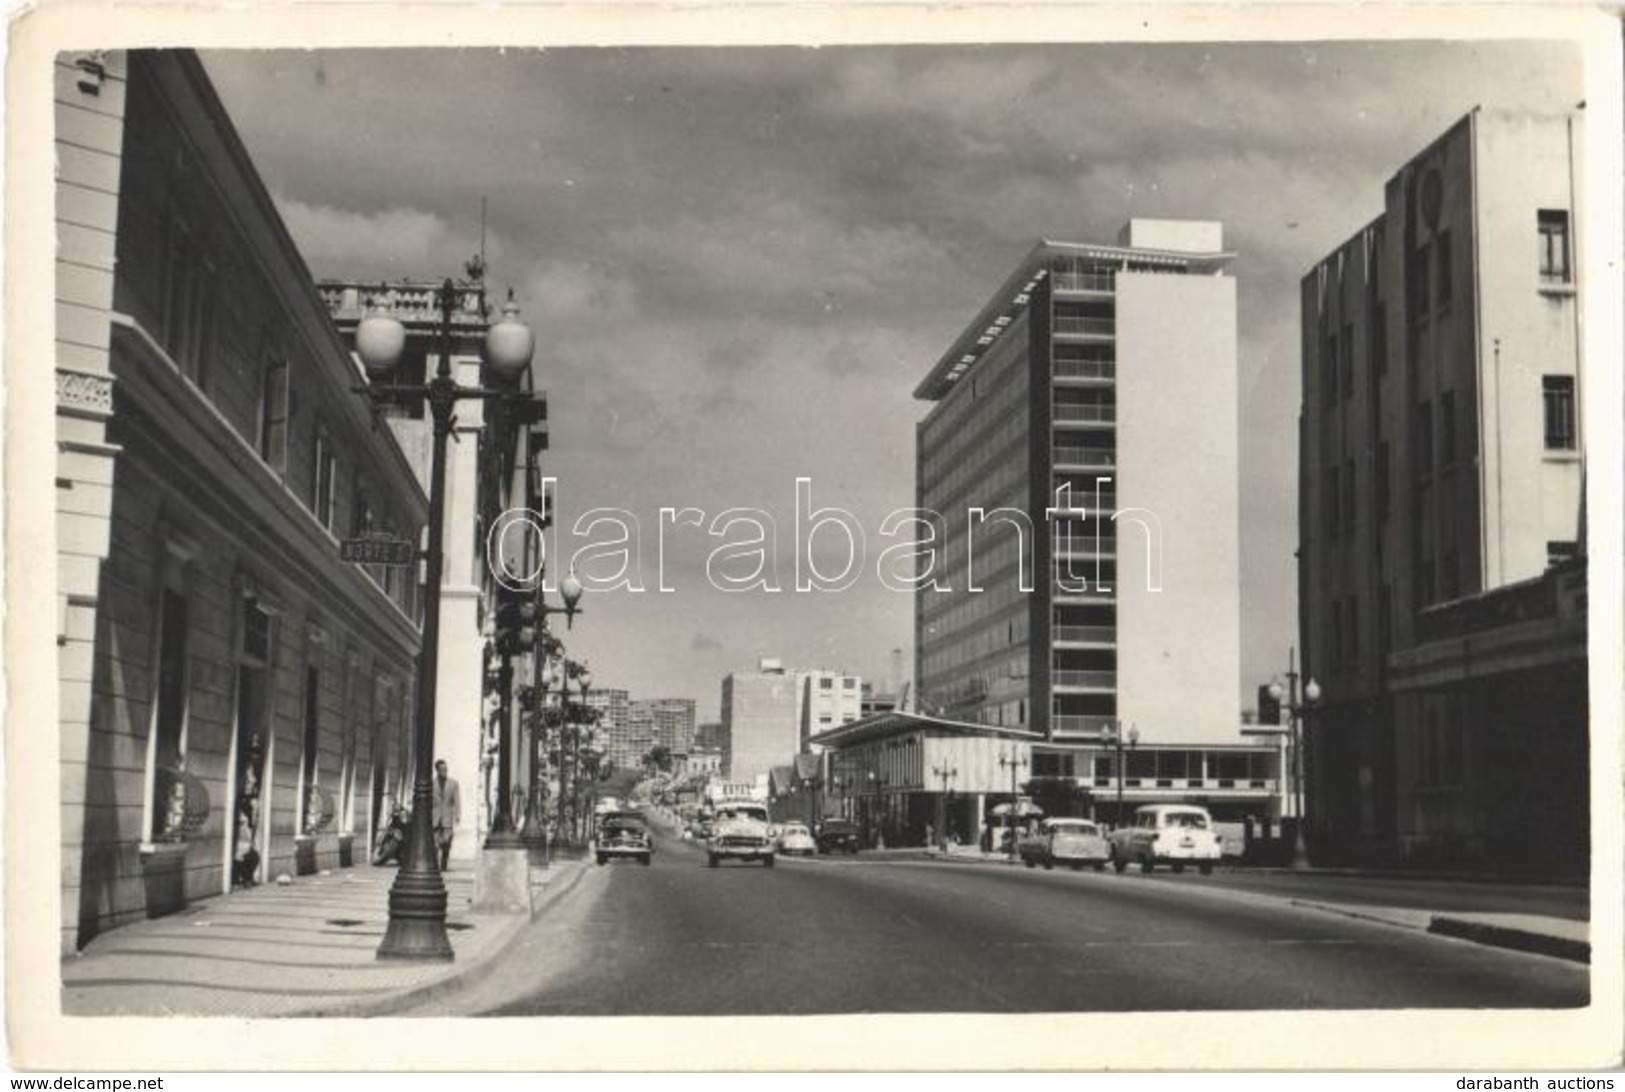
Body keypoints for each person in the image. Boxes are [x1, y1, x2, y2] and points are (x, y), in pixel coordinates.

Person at [432, 759, 461, 871]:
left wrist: (457, 815)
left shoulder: (453, 783)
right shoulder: (432, 783)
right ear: (437, 770)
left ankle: (444, 865)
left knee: (447, 844)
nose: (445, 771)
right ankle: (434, 865)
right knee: (434, 844)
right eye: (442, 769)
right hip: (435, 818)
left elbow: (457, 800)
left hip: (447, 818)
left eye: (446, 769)